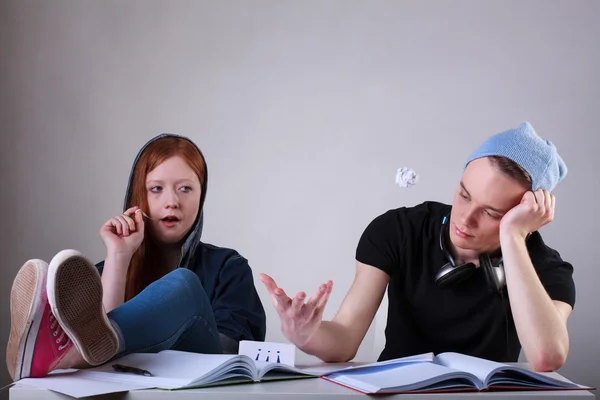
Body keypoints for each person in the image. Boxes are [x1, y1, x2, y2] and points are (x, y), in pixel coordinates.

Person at [261, 121, 575, 372]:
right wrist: (307, 335)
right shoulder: (398, 230)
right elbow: (343, 341)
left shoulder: (545, 267)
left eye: (492, 213)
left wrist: (513, 239)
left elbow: (547, 358)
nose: (464, 219)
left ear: (525, 217)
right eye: (464, 194)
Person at [6, 134, 267, 381]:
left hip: (205, 374)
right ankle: (55, 348)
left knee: (183, 284)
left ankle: (62, 356)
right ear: (138, 195)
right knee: (99, 331)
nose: (172, 201)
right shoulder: (102, 273)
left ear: (202, 196)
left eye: (185, 188)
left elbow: (233, 351)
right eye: (156, 189)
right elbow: (99, 348)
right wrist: (118, 256)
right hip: (132, 383)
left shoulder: (227, 267)